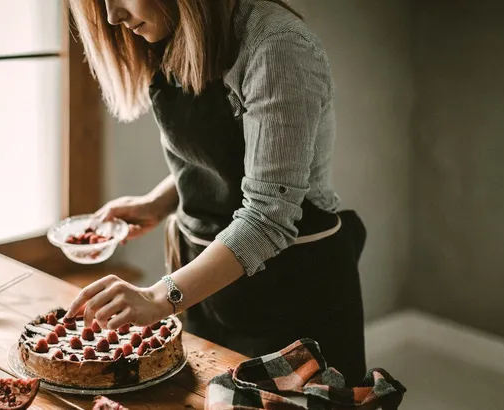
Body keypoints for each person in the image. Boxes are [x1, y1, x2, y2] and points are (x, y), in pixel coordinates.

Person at [65, 0, 367, 383]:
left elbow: (268, 216)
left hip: (290, 291)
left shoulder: (277, 46)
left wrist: (158, 298)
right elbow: (227, 158)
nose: (112, 16)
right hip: (204, 290)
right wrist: (158, 202)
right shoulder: (168, 33)